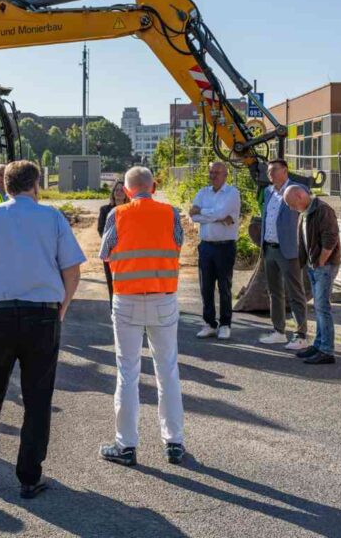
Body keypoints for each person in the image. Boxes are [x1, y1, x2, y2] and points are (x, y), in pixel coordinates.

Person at [0, 160, 84, 500]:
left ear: (6, 185)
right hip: (41, 316)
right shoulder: (52, 217)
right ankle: (29, 476)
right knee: (37, 397)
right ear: (35, 184)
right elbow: (72, 271)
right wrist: (61, 308)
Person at [98, 166, 186, 467]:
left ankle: (126, 445)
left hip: (127, 299)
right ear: (154, 186)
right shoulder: (171, 213)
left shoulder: (117, 214)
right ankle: (174, 442)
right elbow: (178, 243)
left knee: (127, 372)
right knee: (168, 370)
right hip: (163, 298)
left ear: (126, 189)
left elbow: (105, 253)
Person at [284, 186, 339, 365]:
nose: (292, 208)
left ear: (300, 195)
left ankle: (327, 350)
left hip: (325, 265)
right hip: (314, 265)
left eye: (292, 204)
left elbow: (331, 238)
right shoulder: (305, 213)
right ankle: (318, 344)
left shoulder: (323, 210)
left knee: (322, 307)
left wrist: (321, 261)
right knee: (318, 306)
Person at [258, 159, 308, 351]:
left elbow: (304, 216)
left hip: (288, 249)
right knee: (274, 292)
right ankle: (279, 331)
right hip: (269, 248)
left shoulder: (297, 190)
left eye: (274, 170)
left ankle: (301, 335)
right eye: (269, 171)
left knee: (295, 292)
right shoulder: (268, 191)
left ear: (285, 171)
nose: (270, 174)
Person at [190, 161, 240, 340]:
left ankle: (225, 324)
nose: (213, 176)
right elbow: (193, 216)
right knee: (206, 287)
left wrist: (204, 212)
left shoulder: (232, 193)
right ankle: (209, 323)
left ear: (225, 175)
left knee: (224, 287)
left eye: (217, 173)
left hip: (225, 246)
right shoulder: (203, 192)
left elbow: (220, 213)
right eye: (211, 172)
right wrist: (218, 216)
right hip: (206, 246)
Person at [97, 180, 129, 303]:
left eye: (122, 190)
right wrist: (113, 244)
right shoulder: (105, 210)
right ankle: (113, 309)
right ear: (113, 192)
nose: (119, 192)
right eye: (116, 190)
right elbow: (101, 230)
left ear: (127, 193)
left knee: (126, 284)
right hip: (110, 253)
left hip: (127, 253)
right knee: (112, 284)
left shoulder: (131, 210)